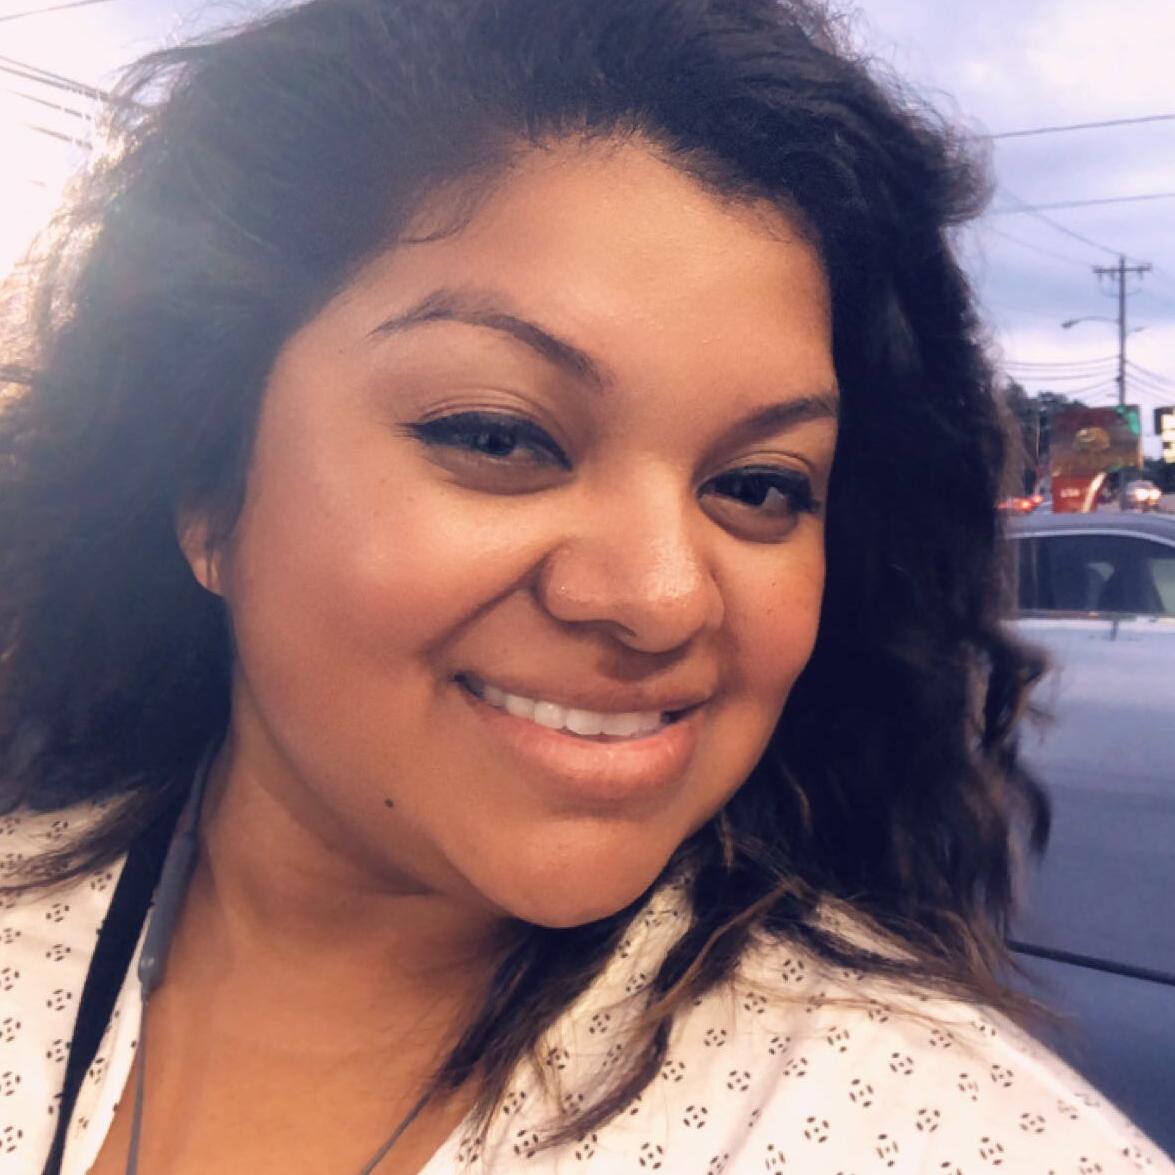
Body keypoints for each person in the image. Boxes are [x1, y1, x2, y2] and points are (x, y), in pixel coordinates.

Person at [0, 0, 1168, 1171]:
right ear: (209, 482)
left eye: (757, 485)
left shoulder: (945, 1133)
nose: (660, 597)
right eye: (499, 436)